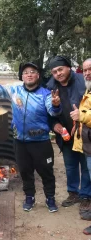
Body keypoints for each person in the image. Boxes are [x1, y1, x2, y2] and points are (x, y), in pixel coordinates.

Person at [0, 62, 61, 212]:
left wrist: (55, 104)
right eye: (26, 72)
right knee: (25, 172)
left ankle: (50, 198)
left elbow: (53, 112)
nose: (29, 74)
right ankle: (29, 197)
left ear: (38, 75)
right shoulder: (14, 91)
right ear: (22, 76)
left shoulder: (46, 94)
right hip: (20, 141)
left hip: (41, 142)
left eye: (32, 71)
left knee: (46, 172)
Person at [46, 56, 91, 212]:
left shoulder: (83, 80)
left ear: (68, 67)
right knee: (70, 166)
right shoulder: (50, 88)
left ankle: (86, 196)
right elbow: (48, 113)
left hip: (85, 133)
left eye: (60, 69)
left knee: (86, 166)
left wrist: (79, 122)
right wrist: (55, 125)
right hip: (65, 135)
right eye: (54, 72)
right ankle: (73, 193)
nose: (58, 74)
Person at [70, 59, 91, 233]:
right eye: (85, 70)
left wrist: (81, 117)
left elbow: (85, 115)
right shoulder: (88, 89)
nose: (87, 73)